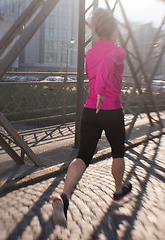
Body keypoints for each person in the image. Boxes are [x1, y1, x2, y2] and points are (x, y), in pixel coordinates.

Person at [52, 8, 132, 227]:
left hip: (90, 111)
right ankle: (118, 190)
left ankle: (65, 197)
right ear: (114, 31)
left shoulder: (90, 53)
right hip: (111, 111)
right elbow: (109, 64)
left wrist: (96, 93)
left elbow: (95, 72)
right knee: (118, 152)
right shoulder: (118, 52)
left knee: (82, 157)